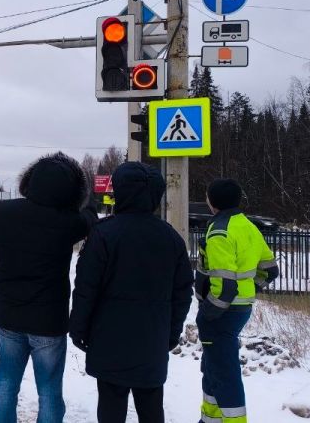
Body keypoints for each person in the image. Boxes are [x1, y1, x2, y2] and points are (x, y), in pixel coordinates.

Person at [68, 162, 194, 423]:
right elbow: (183, 293)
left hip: (108, 337)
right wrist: (171, 333)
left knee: (111, 405)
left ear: (121, 192)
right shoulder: (171, 238)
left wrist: (79, 329)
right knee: (151, 405)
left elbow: (86, 288)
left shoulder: (104, 234)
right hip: (152, 338)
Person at [0, 152, 98, 423]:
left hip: (9, 314)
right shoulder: (68, 222)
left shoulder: (3, 212)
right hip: (49, 320)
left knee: (5, 384)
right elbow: (91, 219)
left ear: (30, 181)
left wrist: (6, 276)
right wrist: (88, 200)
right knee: (48, 392)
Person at [196, 179, 278, 423]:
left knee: (224, 371)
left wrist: (209, 311)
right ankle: (210, 419)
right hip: (239, 309)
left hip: (222, 313)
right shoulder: (248, 226)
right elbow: (270, 270)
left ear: (212, 201)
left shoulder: (220, 231)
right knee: (213, 365)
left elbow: (225, 286)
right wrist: (251, 289)